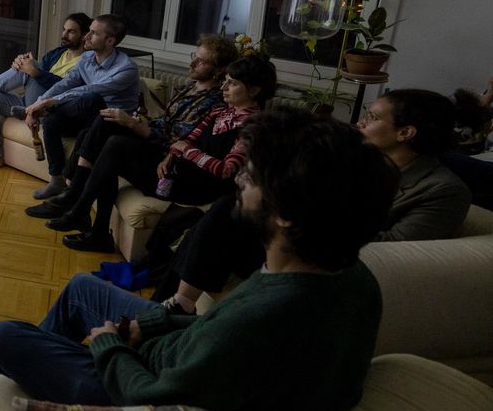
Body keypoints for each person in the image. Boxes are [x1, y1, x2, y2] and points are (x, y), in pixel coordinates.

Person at [0, 107, 398, 411]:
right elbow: (209, 335)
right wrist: (151, 327)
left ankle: (9, 375)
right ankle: (8, 375)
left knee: (5, 335)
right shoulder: (350, 276)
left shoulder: (264, 314)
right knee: (83, 288)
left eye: (252, 176)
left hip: (132, 392)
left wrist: (107, 346)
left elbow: (150, 396)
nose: (240, 181)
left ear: (286, 214)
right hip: (167, 355)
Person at [157, 88, 473, 315]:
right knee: (226, 210)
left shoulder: (443, 191)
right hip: (293, 238)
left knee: (225, 213)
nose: (361, 123)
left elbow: (395, 247)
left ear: (405, 132)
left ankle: (172, 307)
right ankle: (174, 305)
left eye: (372, 117)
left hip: (323, 256)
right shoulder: (356, 159)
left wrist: (308, 217)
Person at [48, 53, 277, 253]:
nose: (224, 88)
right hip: (179, 170)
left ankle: (84, 216)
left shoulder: (252, 126)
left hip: (199, 186)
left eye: (232, 83)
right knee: (111, 146)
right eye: (225, 81)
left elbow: (225, 171)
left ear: (254, 90)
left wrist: (185, 151)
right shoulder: (220, 111)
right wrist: (171, 156)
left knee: (115, 146)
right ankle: (93, 227)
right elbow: (189, 139)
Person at [28, 33, 237, 219]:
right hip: (156, 142)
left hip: (169, 161)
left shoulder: (216, 102)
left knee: (112, 143)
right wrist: (139, 121)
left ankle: (75, 200)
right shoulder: (188, 88)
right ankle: (80, 207)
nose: (192, 64)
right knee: (102, 124)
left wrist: (134, 125)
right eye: (194, 57)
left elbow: (178, 141)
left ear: (219, 70)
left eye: (201, 62)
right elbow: (165, 123)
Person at [0, 13, 92, 169]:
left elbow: (68, 88)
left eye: (71, 31)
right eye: (64, 30)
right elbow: (40, 74)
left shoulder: (87, 61)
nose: (64, 35)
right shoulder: (58, 53)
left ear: (84, 35)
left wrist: (33, 70)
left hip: (50, 108)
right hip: (30, 101)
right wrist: (23, 63)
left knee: (28, 69)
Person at [24, 14, 140, 199]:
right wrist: (39, 103)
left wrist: (49, 103)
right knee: (52, 121)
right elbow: (66, 83)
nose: (86, 37)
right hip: (88, 118)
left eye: (93, 33)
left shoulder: (126, 68)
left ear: (110, 40)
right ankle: (56, 181)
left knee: (90, 97)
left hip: (111, 123)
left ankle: (46, 110)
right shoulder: (87, 58)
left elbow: (92, 89)